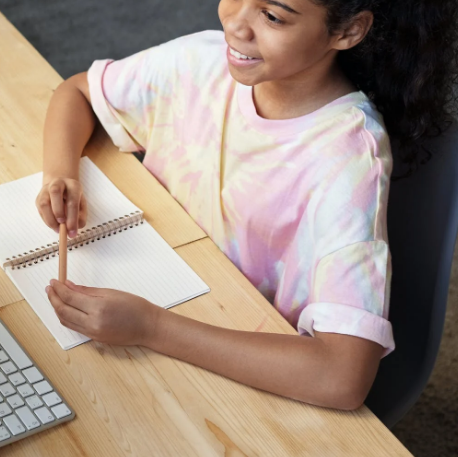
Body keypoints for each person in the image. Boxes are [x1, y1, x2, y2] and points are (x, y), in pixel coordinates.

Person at [38, 0, 457, 409]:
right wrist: (61, 174)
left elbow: (342, 376)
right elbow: (78, 91)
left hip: (233, 360)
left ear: (347, 31)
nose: (235, 25)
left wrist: (151, 327)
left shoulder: (346, 162)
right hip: (162, 295)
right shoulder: (203, 60)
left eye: (272, 15)